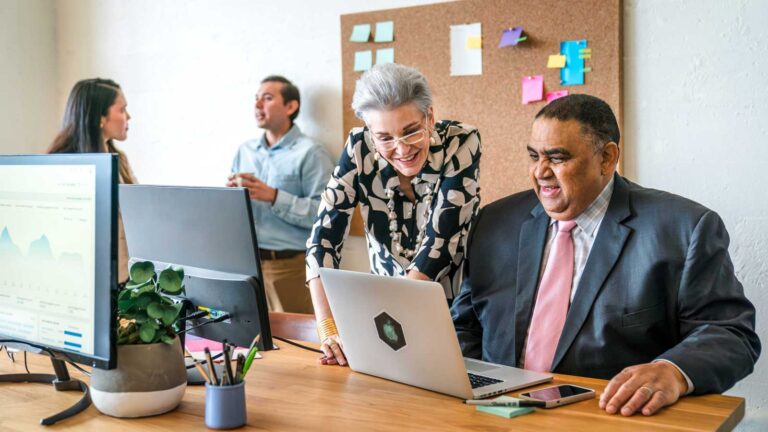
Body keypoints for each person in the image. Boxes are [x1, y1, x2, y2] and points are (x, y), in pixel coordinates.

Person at [451, 94, 760, 416]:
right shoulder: (495, 223)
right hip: (497, 416)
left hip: (613, 417)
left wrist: (672, 371)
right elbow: (465, 327)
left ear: (607, 158)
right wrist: (479, 394)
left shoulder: (683, 229)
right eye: (534, 156)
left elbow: (730, 334)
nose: (539, 172)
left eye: (557, 158)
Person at [306, 63, 482, 366]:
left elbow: (439, 244)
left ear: (429, 116)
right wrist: (328, 329)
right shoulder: (358, 147)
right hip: (386, 313)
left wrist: (381, 326)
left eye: (411, 131)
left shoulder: (461, 141)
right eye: (385, 137)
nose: (401, 149)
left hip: (454, 310)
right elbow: (323, 237)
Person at [228, 75, 333, 314]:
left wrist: (274, 196)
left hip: (290, 268)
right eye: (256, 99)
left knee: (298, 346)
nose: (257, 105)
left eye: (266, 98)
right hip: (246, 266)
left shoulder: (311, 153)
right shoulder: (244, 151)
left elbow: (325, 215)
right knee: (253, 342)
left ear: (290, 106)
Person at [48, 78, 136, 284]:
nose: (128, 116)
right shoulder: (63, 166)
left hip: (123, 281)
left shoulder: (120, 161)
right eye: (122, 110)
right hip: (82, 282)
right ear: (100, 117)